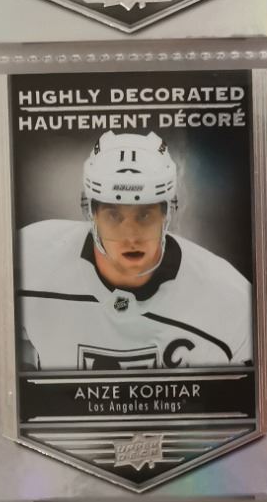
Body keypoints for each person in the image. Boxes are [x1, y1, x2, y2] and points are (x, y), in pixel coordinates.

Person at [18, 130, 252, 371]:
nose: (131, 237)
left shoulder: (232, 300)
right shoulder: (30, 259)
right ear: (92, 213)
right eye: (113, 215)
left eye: (145, 215)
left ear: (167, 214)